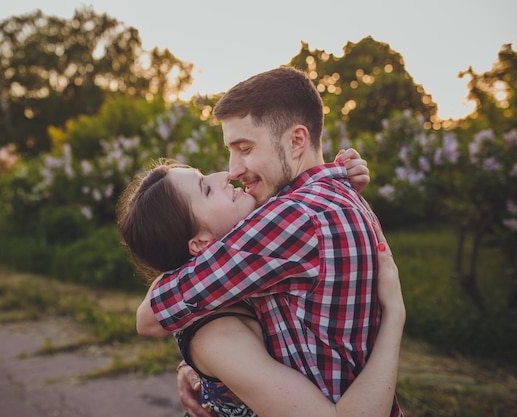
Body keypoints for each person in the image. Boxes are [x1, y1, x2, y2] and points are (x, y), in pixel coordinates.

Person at [134, 67, 403, 417]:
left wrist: (203, 356)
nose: (232, 169)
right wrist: (213, 376)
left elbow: (151, 316)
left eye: (244, 148)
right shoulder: (337, 195)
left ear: (296, 141)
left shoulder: (293, 217)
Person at [117, 159, 405, 417]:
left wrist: (339, 180)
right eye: (206, 189)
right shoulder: (221, 337)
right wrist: (394, 314)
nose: (224, 174)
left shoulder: (246, 271)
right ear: (201, 244)